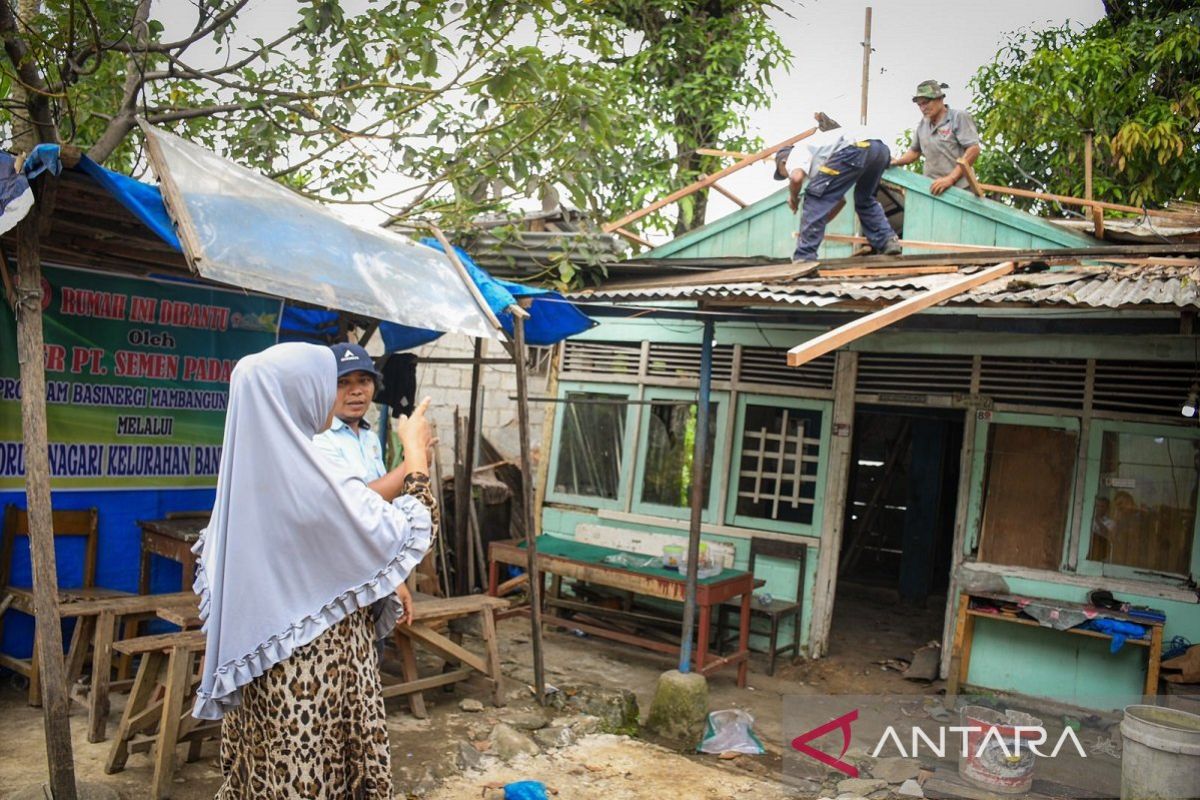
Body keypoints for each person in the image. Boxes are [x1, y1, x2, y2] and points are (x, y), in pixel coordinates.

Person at [192, 342, 437, 799]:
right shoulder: (312, 471)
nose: (335, 393)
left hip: (265, 664)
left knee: (267, 774)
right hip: (314, 673)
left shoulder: (249, 476)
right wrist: (416, 456)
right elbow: (400, 528)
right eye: (327, 383)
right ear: (295, 392)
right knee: (312, 777)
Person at [785, 117, 901, 264]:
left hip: (855, 148)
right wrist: (818, 223)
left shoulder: (795, 153)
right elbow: (839, 200)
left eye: (782, 172)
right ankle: (888, 241)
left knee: (814, 196)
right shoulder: (822, 154)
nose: (785, 175)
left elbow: (796, 179)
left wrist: (794, 199)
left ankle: (804, 256)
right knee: (865, 199)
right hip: (879, 149)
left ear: (782, 161)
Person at [890, 80, 981, 195]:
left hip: (960, 190)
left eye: (926, 102)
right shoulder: (923, 125)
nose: (923, 108)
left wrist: (951, 178)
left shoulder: (957, 117)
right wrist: (896, 162)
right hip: (934, 189)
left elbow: (974, 149)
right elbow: (914, 152)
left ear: (940, 99)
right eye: (920, 105)